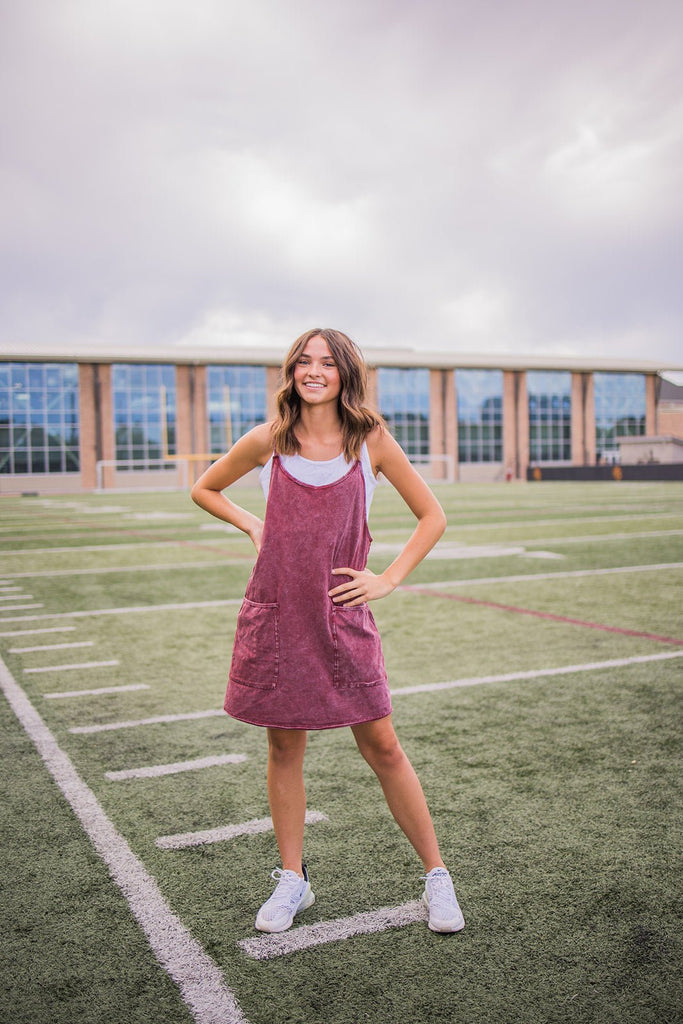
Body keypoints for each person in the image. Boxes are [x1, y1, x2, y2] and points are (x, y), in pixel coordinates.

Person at [191, 328, 464, 935]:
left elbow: (433, 515)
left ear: (345, 373)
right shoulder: (268, 440)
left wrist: (387, 579)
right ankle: (294, 879)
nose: (313, 371)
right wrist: (252, 525)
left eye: (326, 363)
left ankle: (437, 877)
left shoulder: (371, 442)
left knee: (384, 747)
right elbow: (204, 487)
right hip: (279, 614)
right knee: (285, 747)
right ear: (292, 372)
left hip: (342, 619)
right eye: (303, 362)